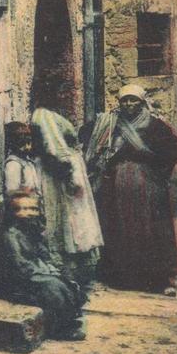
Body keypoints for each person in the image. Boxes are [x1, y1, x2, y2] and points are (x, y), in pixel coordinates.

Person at [80, 83, 177, 295]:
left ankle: (155, 277)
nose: (128, 104)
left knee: (150, 229)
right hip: (118, 187)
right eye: (124, 100)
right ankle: (123, 276)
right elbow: (85, 134)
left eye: (133, 100)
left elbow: (175, 148)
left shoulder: (154, 126)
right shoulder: (111, 122)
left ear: (142, 102)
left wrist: (156, 165)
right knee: (121, 227)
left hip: (147, 187)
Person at [31, 95, 103, 296]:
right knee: (65, 220)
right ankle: (65, 271)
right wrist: (70, 175)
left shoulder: (52, 114)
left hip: (66, 171)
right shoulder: (43, 115)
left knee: (73, 220)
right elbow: (54, 149)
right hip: (57, 176)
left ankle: (74, 272)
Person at [0, 192, 85, 340]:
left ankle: (68, 320)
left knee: (66, 279)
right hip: (17, 281)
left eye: (34, 209)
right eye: (23, 209)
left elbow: (44, 255)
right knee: (52, 287)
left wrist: (53, 269)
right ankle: (58, 329)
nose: (30, 213)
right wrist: (45, 274)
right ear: (13, 212)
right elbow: (20, 264)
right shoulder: (11, 236)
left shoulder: (33, 232)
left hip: (34, 275)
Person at [3, 121, 41, 204]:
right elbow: (12, 193)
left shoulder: (29, 162)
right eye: (23, 143)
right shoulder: (14, 164)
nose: (28, 147)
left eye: (29, 142)